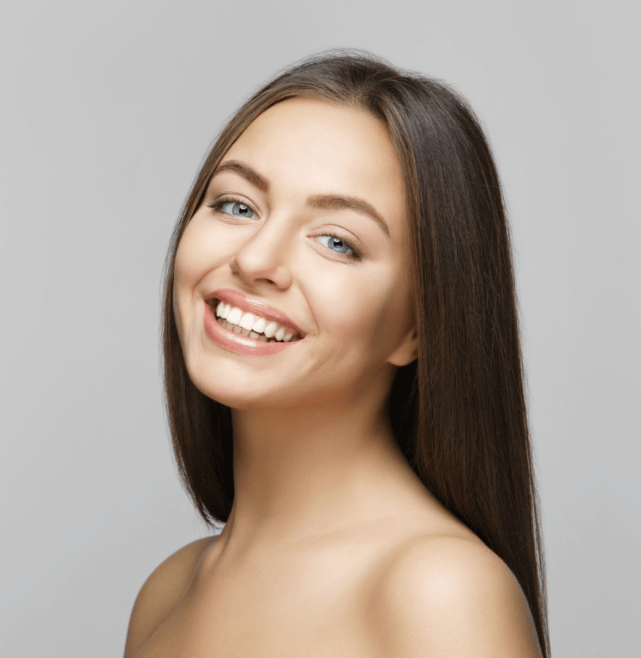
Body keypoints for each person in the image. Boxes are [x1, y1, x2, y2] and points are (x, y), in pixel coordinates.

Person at [124, 50, 549, 657]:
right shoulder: (168, 595)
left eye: (337, 242)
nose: (256, 260)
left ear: (418, 328)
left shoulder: (440, 593)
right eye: (236, 205)